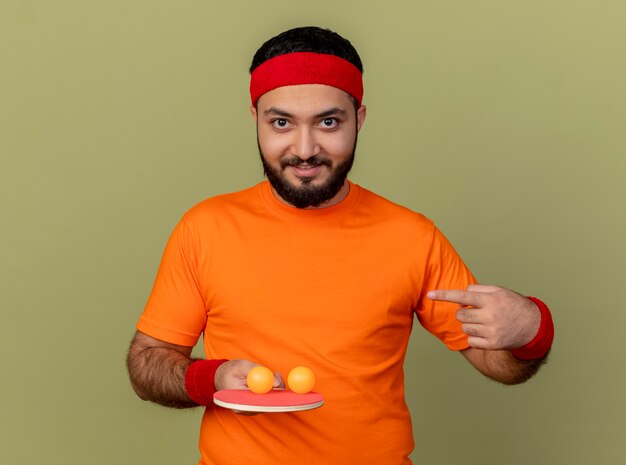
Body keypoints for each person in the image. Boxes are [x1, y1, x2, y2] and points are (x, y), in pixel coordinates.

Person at [127, 26, 554, 465]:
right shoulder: (205, 229)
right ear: (254, 117)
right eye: (281, 122)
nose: (306, 149)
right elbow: (147, 366)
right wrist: (213, 379)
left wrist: (531, 329)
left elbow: (499, 363)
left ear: (360, 118)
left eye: (328, 121)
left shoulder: (412, 236)